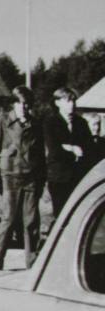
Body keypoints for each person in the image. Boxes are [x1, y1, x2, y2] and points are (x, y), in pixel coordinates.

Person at [0, 86, 46, 270]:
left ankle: (32, 261)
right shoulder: (3, 120)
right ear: (13, 104)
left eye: (27, 104)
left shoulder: (35, 123)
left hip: (31, 177)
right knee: (9, 218)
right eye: (20, 104)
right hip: (10, 175)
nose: (23, 108)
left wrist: (42, 178)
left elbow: (40, 154)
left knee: (31, 220)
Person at [43, 87, 94, 217]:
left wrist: (69, 147)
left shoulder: (81, 123)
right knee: (61, 214)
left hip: (78, 177)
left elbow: (89, 149)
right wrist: (74, 150)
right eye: (67, 101)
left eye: (73, 101)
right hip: (59, 178)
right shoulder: (50, 122)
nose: (72, 105)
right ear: (57, 103)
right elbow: (54, 150)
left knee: (78, 214)